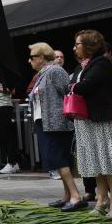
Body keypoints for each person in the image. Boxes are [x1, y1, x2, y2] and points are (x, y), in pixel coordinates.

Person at [71, 30, 112, 218]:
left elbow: (84, 86)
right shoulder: (84, 65)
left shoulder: (102, 62)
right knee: (96, 162)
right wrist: (74, 86)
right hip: (87, 120)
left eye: (78, 44)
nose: (75, 48)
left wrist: (72, 87)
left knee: (110, 161)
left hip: (103, 120)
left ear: (89, 45)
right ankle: (101, 199)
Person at [27, 42, 86, 211]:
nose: (29, 61)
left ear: (42, 58)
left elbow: (66, 93)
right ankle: (68, 195)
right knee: (56, 158)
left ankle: (75, 196)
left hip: (57, 123)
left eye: (32, 57)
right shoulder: (43, 74)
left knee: (59, 158)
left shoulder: (55, 71)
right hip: (45, 122)